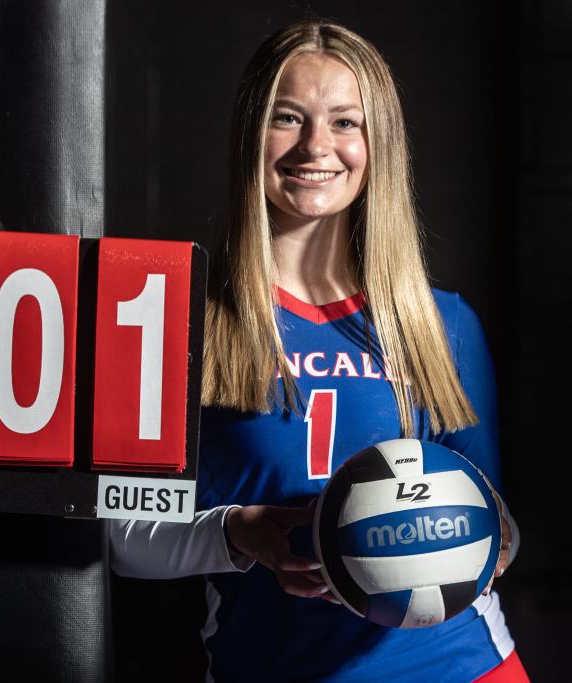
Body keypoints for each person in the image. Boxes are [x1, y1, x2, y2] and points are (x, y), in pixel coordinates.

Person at [110, 19, 527, 683]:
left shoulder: (439, 322)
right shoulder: (179, 322)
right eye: (289, 118)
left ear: (377, 143)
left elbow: (498, 531)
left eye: (345, 122)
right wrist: (239, 531)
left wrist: (456, 531)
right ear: (251, 131)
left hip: (460, 666)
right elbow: (119, 538)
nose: (316, 146)